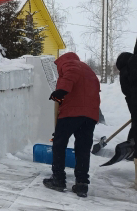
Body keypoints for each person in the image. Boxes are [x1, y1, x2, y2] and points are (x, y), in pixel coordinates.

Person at [43, 52, 100, 198]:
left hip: (71, 112)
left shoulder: (70, 63)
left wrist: (60, 91)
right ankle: (82, 184)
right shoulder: (88, 69)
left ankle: (58, 179)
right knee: (83, 148)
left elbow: (70, 74)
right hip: (90, 115)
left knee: (59, 144)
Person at [115, 38, 137, 189]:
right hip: (133, 99)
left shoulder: (125, 70)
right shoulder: (131, 66)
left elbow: (126, 91)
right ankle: (132, 148)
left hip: (133, 100)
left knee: (135, 126)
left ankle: (132, 148)